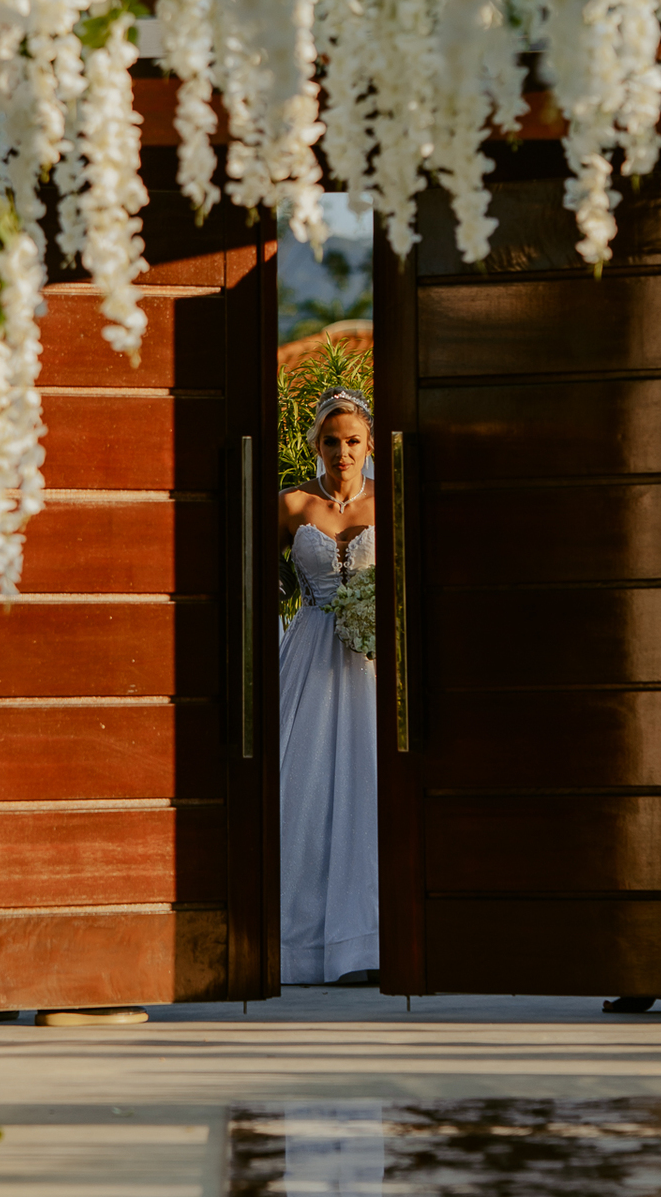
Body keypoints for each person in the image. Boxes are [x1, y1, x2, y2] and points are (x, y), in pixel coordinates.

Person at [278, 387, 379, 986]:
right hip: (309, 654)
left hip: (367, 664)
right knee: (303, 787)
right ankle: (301, 946)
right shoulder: (290, 505)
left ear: (368, 446)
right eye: (332, 441)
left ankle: (366, 940)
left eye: (353, 441)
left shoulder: (386, 502)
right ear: (316, 445)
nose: (343, 452)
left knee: (368, 789)